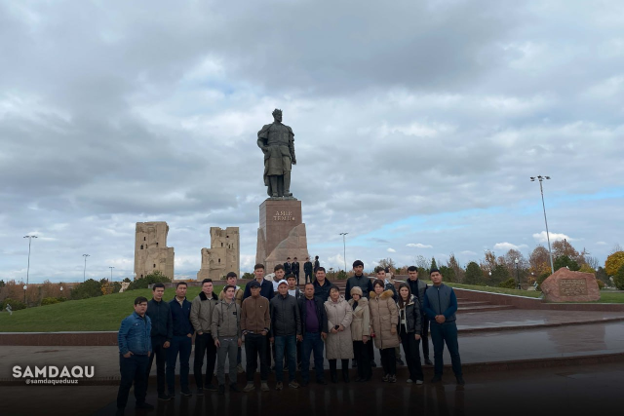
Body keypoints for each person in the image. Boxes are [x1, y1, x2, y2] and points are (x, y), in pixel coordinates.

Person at [423, 268, 464, 385]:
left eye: (437, 275)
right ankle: (438, 374)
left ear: (441, 276)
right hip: (435, 325)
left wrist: (444, 316)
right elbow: (425, 307)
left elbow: (454, 306)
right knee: (437, 351)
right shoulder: (428, 292)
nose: (435, 277)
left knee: (454, 351)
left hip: (449, 324)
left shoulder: (449, 290)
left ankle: (458, 375)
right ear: (430, 277)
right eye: (433, 275)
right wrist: (435, 316)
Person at [116, 297, 153, 414]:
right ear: (135, 306)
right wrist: (125, 351)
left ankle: (140, 402)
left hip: (143, 357)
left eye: (145, 305)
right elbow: (121, 336)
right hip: (130, 358)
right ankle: (120, 408)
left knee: (141, 381)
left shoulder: (148, 319)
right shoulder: (129, 320)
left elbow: (148, 336)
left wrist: (149, 349)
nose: (143, 307)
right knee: (126, 383)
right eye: (140, 304)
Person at [257, 108, 297, 198]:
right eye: (278, 115)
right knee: (273, 171)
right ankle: (274, 192)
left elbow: (291, 144)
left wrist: (293, 157)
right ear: (274, 116)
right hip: (273, 150)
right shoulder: (268, 127)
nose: (280, 117)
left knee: (287, 170)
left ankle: (286, 191)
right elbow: (260, 140)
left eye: (281, 115)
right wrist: (263, 147)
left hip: (285, 151)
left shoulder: (287, 128)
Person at [269, 280, 301, 390]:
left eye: (285, 287)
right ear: (278, 289)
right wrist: (271, 334)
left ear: (287, 288)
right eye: (281, 287)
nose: (283, 289)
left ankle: (292, 379)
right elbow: (271, 319)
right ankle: (279, 381)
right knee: (278, 359)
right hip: (279, 335)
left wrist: (298, 332)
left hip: (291, 334)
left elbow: (297, 317)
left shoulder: (293, 300)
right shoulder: (273, 301)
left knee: (292, 358)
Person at [190, 278, 219, 394]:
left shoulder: (217, 299)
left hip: (213, 334)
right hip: (202, 334)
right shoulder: (197, 300)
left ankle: (208, 383)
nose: (208, 288)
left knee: (211, 360)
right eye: (206, 286)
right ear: (202, 287)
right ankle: (199, 386)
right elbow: (193, 316)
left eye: (210, 286)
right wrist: (199, 330)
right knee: (199, 360)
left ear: (212, 287)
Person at [212, 285, 243, 394]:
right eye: (229, 291)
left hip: (234, 338)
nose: (231, 293)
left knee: (233, 363)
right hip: (222, 339)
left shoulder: (237, 307)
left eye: (232, 291)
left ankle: (233, 383)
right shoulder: (218, 307)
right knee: (221, 363)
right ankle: (221, 384)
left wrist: (240, 337)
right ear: (224, 293)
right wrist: (215, 337)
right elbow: (214, 323)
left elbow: (239, 323)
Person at [241, 280, 271, 392]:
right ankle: (250, 382)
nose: (254, 290)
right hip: (250, 335)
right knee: (250, 360)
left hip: (262, 335)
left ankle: (264, 382)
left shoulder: (265, 300)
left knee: (263, 360)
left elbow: (267, 317)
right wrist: (244, 330)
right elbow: (243, 317)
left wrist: (266, 329)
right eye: (252, 288)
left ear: (260, 289)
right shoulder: (246, 301)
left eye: (256, 288)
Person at [345, 260, 375, 369]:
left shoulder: (367, 280)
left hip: (364, 307)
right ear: (353, 268)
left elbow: (371, 293)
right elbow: (347, 295)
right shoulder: (350, 280)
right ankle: (355, 359)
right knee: (354, 336)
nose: (358, 269)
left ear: (363, 268)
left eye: (360, 267)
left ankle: (370, 359)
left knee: (367, 331)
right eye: (356, 267)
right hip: (354, 308)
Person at [146, 283, 172, 402]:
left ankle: (161, 393)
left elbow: (170, 324)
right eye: (158, 291)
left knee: (161, 368)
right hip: (150, 341)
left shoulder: (166, 306)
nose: (160, 293)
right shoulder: (147, 306)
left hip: (162, 341)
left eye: (162, 291)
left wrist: (168, 339)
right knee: (146, 368)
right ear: (153, 292)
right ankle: (142, 395)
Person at [369, 279, 399, 383]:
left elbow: (394, 313)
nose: (378, 289)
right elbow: (371, 316)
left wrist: (393, 325)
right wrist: (371, 327)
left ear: (383, 288)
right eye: (376, 287)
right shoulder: (371, 301)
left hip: (389, 330)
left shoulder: (388, 299)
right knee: (383, 354)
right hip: (378, 331)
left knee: (391, 354)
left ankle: (393, 374)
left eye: (380, 287)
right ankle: (386, 373)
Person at [166, 281, 194, 397]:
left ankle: (184, 388)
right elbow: (167, 322)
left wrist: (191, 332)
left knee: (185, 364)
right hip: (174, 339)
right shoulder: (169, 305)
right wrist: (169, 337)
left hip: (186, 339)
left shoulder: (189, 304)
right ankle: (171, 390)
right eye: (180, 288)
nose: (182, 290)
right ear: (176, 290)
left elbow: (193, 319)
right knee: (170, 365)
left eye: (184, 288)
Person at [298, 283, 328, 386]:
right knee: (305, 358)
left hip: (318, 334)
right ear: (304, 290)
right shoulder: (300, 301)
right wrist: (299, 333)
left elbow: (324, 316)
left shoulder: (319, 301)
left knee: (319, 358)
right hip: (306, 335)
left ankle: (320, 377)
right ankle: (305, 378)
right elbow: (298, 318)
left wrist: (324, 330)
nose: (310, 290)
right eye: (308, 289)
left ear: (314, 290)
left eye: (311, 289)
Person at [325, 286, 354, 383]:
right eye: (332, 292)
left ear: (339, 292)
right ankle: (333, 375)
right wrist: (330, 327)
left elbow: (349, 314)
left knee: (345, 354)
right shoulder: (326, 304)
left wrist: (343, 325)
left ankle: (345, 374)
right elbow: (324, 317)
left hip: (344, 331)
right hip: (332, 333)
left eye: (336, 291)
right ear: (329, 293)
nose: (334, 293)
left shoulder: (345, 303)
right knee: (332, 354)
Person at [397, 283, 424, 384]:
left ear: (409, 291)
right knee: (407, 355)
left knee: (414, 354)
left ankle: (419, 376)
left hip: (412, 331)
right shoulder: (397, 302)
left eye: (406, 290)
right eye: (402, 290)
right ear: (399, 292)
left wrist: (418, 331)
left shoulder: (414, 301)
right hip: (403, 332)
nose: (404, 292)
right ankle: (412, 375)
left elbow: (418, 317)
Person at [219, 272, 245, 374]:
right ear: (227, 280)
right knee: (223, 347)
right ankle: (220, 367)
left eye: (234, 278)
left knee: (238, 344)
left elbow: (243, 305)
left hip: (236, 321)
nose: (232, 280)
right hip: (225, 322)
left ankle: (238, 365)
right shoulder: (222, 292)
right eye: (230, 278)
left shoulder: (240, 291)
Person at [406, 266, 432, 365]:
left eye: (414, 273)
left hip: (422, 314)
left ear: (417, 273)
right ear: (408, 274)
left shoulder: (423, 285)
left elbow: (427, 298)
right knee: (413, 338)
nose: (412, 275)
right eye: (410, 273)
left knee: (424, 336)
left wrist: (426, 311)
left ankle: (426, 357)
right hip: (410, 315)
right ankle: (415, 358)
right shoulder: (405, 285)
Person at [347, 286, 371, 382]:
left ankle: (366, 374)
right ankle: (360, 374)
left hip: (361, 331)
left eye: (357, 294)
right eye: (353, 294)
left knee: (364, 355)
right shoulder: (350, 303)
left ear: (360, 295)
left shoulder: (365, 304)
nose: (355, 296)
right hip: (354, 332)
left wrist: (365, 334)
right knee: (357, 356)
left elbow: (366, 320)